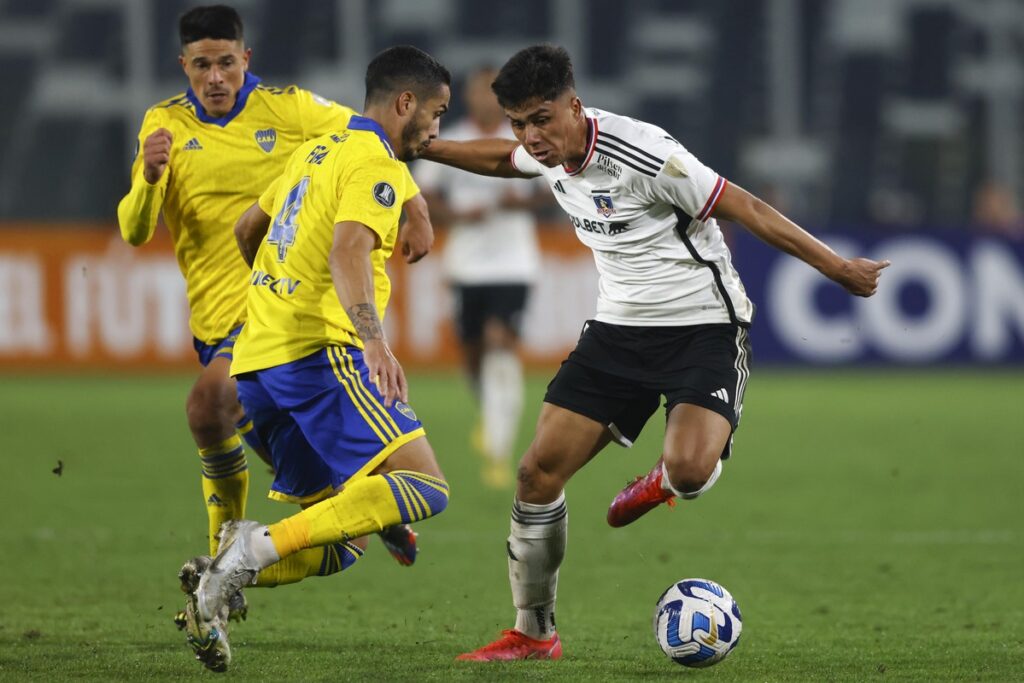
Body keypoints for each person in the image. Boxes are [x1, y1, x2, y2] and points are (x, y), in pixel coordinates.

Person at [419, 45, 890, 661]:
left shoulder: (644, 152)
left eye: (540, 119)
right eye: (518, 123)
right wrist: (424, 148)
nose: (530, 137)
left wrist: (838, 268)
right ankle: (533, 634)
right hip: (617, 331)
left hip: (702, 326)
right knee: (536, 474)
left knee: (693, 470)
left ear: (575, 106)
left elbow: (744, 206)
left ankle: (667, 479)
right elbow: (504, 162)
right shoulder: (546, 153)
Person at [115, 5, 427, 604]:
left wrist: (414, 204)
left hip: (271, 314)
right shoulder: (163, 125)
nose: (215, 78)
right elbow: (133, 230)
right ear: (183, 65)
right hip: (210, 323)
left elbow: (372, 137)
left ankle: (220, 570)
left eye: (226, 63)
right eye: (201, 65)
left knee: (207, 408)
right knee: (330, 511)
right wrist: (148, 178)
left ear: (245, 59)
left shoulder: (288, 109)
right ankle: (372, 507)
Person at [178, 45, 453, 672]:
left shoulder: (316, 150)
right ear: (404, 102)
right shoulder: (373, 166)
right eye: (435, 113)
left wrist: (277, 299)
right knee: (424, 487)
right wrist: (374, 342)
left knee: (342, 540)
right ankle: (246, 553)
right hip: (319, 356)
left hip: (258, 362)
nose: (437, 130)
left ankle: (214, 575)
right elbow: (350, 251)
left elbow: (249, 228)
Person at [415, 66, 547, 488]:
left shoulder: (524, 141)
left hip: (513, 263)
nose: (484, 101)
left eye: (491, 93)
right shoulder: (456, 139)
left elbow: (553, 187)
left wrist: (520, 204)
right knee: (473, 357)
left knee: (499, 342)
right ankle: (490, 414)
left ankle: (498, 448)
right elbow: (422, 195)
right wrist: (457, 215)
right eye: (478, 92)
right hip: (467, 266)